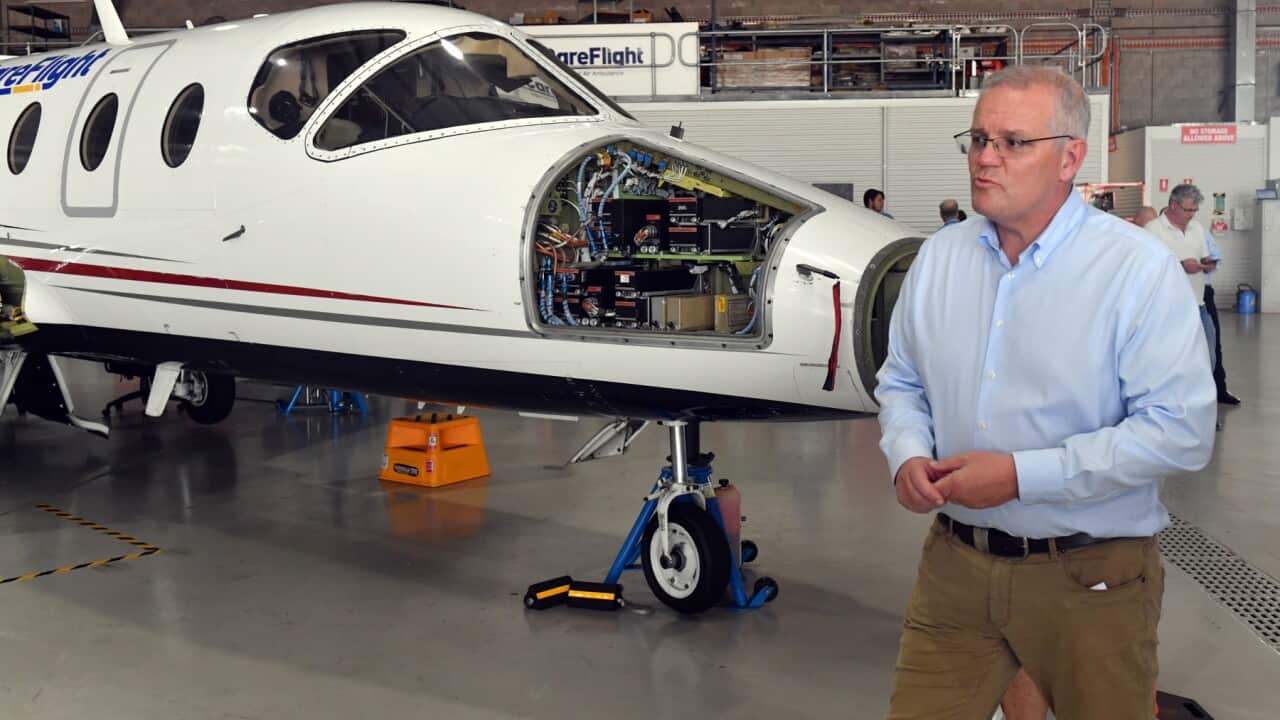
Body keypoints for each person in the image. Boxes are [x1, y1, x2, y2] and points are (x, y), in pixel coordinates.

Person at [876, 66, 1216, 720]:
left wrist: (1021, 476)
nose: (985, 158)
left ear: (1071, 158)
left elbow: (1180, 430)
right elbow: (902, 381)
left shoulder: (1134, 271)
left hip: (1090, 576)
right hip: (955, 566)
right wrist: (907, 455)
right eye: (977, 139)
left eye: (1012, 142)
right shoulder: (939, 259)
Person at [1143, 185, 1217, 373]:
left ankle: (1199, 400)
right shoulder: (1152, 231)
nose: (1192, 214)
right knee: (1170, 363)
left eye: (1195, 210)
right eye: (1188, 210)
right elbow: (1146, 269)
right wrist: (1182, 266)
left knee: (1209, 359)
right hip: (1167, 309)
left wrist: (1207, 263)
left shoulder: (1197, 228)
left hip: (1198, 305)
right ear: (1173, 205)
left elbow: (1202, 256)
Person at [1201, 231, 1240, 405]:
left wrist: (1208, 263)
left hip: (1203, 292)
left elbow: (1216, 257)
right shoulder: (1159, 232)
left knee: (1213, 342)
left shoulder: (1199, 231)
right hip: (1175, 293)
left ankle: (1219, 391)